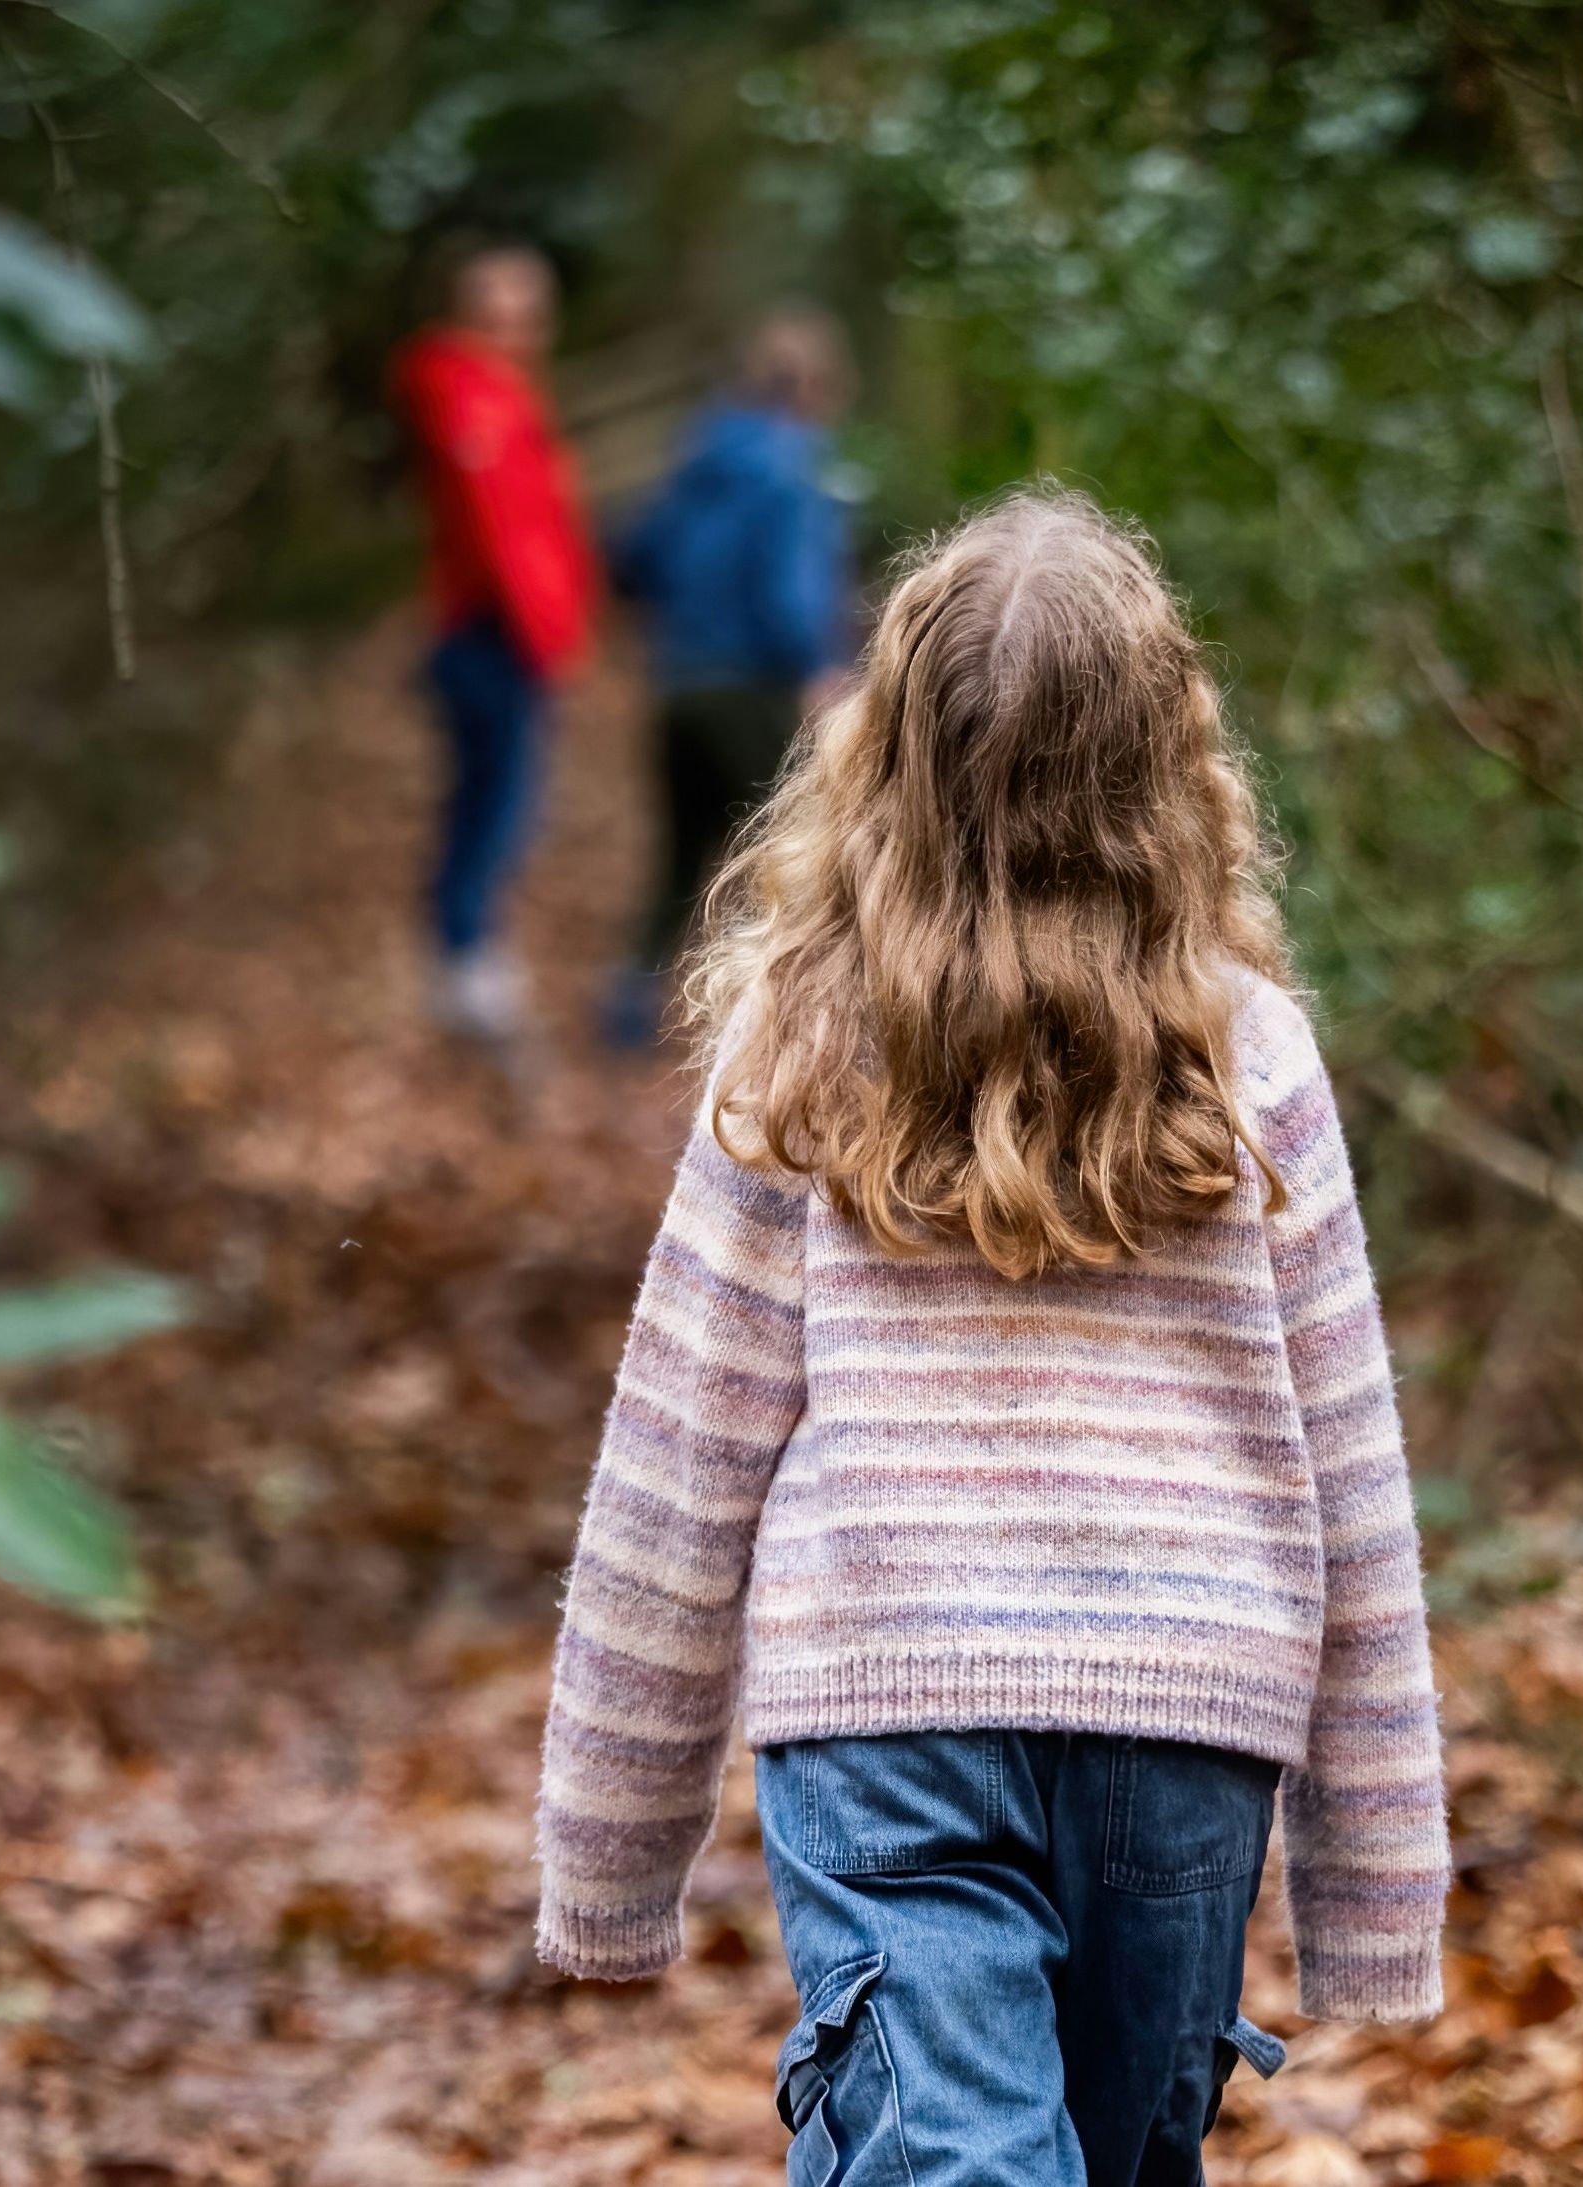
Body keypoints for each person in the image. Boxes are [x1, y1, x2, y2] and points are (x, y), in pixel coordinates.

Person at [532, 490, 1451, 2186]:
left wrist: (608, 1855)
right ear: (1169, 770)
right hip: (1186, 1721)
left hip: (890, 1715)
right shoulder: (1248, 1061)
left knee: (953, 2158)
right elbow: (1355, 1486)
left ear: (889, 758)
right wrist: (1373, 1889)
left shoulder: (800, 1051)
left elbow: (677, 1471)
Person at [604, 306, 857, 1045]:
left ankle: (625, 1014)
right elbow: (789, 590)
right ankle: (778, 1034)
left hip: (678, 687)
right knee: (786, 861)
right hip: (751, 693)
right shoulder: (791, 470)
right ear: (811, 386)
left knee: (679, 860)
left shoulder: (698, 461)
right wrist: (817, 666)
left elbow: (634, 560)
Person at [388, 243, 598, 1041]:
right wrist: (546, 633)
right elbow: (498, 532)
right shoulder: (465, 396)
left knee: (503, 801)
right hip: (489, 638)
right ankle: (464, 961)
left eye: (528, 318)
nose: (517, 333)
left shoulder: (504, 396)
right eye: (499, 317)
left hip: (508, 638)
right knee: (495, 803)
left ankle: (471, 954)